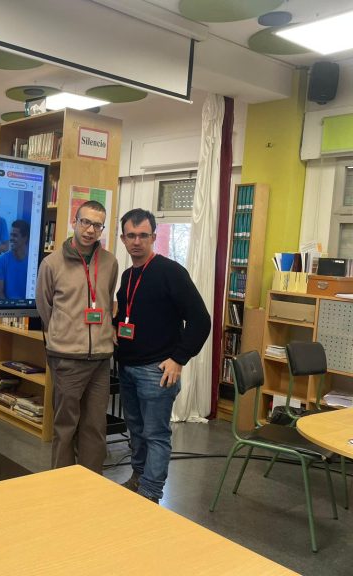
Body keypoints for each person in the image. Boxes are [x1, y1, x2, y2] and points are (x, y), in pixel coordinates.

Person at [114, 208, 210, 503]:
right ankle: (138, 477)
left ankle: (151, 493)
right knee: (136, 430)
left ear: (154, 237)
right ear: (123, 238)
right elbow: (128, 316)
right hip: (127, 367)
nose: (137, 241)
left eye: (143, 235)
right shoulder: (128, 275)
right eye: (131, 235)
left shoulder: (171, 272)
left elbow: (201, 320)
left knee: (156, 434)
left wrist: (179, 358)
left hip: (157, 371)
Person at [36, 201, 117, 474]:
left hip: (101, 358)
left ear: (102, 229)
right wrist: (65, 333)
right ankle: (62, 485)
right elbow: (45, 307)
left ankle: (91, 485)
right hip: (66, 357)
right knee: (65, 427)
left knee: (95, 427)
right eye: (85, 222)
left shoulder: (110, 262)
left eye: (97, 225)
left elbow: (106, 301)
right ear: (74, 222)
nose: (90, 230)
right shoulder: (51, 263)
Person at [0, 219, 30, 300]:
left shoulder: (31, 262)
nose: (11, 238)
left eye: (15, 235)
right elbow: (0, 293)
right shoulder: (2, 260)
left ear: (25, 238)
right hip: (7, 306)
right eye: (10, 235)